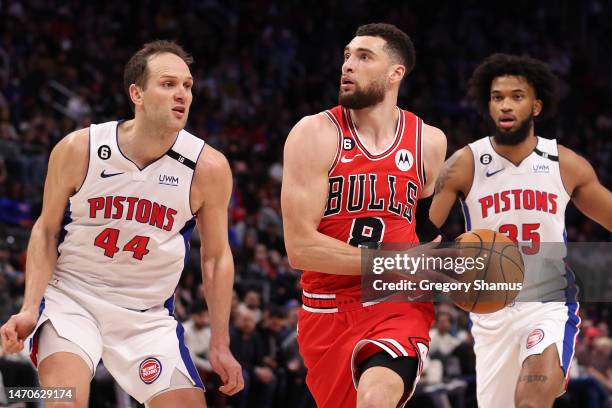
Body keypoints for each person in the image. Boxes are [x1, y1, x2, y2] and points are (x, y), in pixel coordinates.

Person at [0, 40, 243, 407]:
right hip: (73, 301)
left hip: (146, 317)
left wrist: (220, 343)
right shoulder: (78, 148)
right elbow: (46, 230)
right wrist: (30, 307)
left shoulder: (208, 167)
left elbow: (216, 258)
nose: (182, 94)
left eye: (187, 85)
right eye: (168, 84)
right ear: (137, 93)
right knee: (63, 399)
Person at [430, 53, 612, 407]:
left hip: (548, 302)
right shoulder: (465, 164)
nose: (506, 105)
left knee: (530, 399)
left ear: (537, 105)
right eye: (497, 97)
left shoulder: (565, 163)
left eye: (517, 96)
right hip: (489, 309)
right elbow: (420, 235)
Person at [282, 23, 448, 407]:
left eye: (363, 57)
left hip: (397, 303)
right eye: (346, 56)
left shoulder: (430, 142)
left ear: (396, 74)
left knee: (376, 398)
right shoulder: (314, 134)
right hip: (326, 309)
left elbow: (423, 231)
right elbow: (300, 248)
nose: (348, 66)